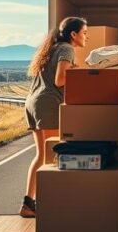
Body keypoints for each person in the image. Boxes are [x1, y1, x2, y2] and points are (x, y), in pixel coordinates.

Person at [20, 16, 88, 218]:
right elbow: (60, 80)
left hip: (34, 103)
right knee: (54, 156)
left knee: (42, 155)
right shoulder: (67, 49)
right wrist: (78, 72)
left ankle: (28, 204)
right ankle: (54, 202)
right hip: (48, 105)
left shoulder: (52, 48)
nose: (87, 36)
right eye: (84, 32)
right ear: (73, 34)